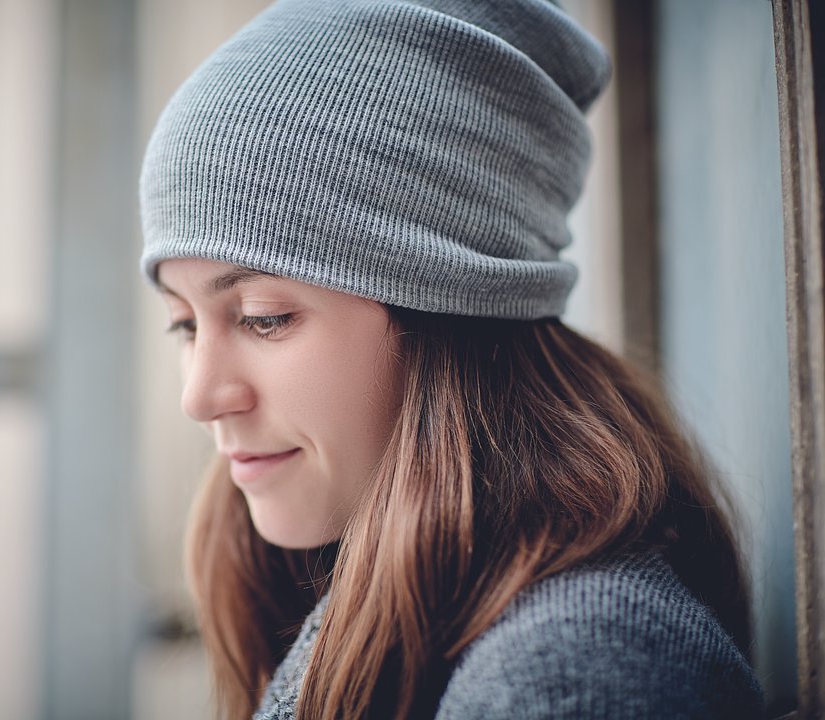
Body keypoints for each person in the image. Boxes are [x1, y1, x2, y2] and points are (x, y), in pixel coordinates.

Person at [138, 0, 766, 718]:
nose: (200, 394)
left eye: (263, 318)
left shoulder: (573, 673)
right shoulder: (321, 575)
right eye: (184, 326)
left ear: (447, 309)